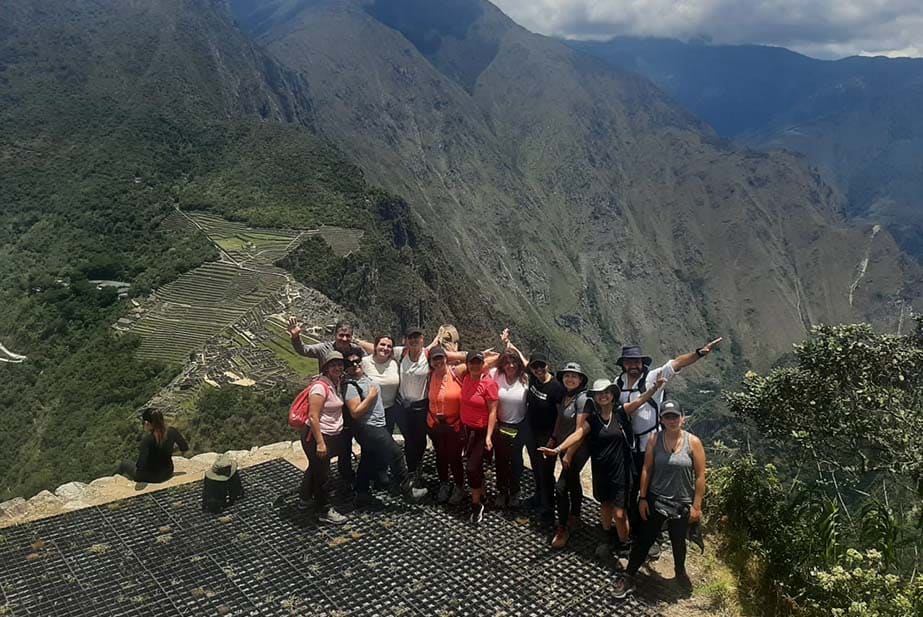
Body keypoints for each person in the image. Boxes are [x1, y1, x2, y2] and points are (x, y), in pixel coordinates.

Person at [540, 377, 665, 559]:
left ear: (612, 396)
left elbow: (640, 400)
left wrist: (655, 387)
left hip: (621, 470)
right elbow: (578, 434)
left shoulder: (621, 414)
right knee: (605, 506)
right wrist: (558, 449)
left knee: (620, 513)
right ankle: (606, 538)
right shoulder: (592, 420)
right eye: (599, 394)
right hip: (601, 471)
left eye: (606, 393)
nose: (603, 396)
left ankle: (625, 543)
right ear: (595, 398)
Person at [614, 339, 720, 544]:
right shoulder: (618, 382)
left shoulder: (653, 376)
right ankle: (634, 530)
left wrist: (698, 353)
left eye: (636, 362)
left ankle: (652, 536)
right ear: (623, 364)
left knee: (653, 491)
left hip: (652, 444)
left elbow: (676, 363)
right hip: (629, 446)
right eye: (629, 362)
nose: (633, 366)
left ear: (641, 363)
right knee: (632, 489)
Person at [614, 400, 706, 598]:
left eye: (675, 416)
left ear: (682, 418)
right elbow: (647, 468)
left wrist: (697, 507)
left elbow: (700, 476)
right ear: (661, 420)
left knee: (678, 541)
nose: (671, 420)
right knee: (644, 539)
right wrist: (643, 497)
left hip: (682, 502)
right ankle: (629, 575)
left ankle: (679, 572)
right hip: (657, 498)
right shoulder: (655, 439)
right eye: (667, 416)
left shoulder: (694, 443)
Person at [341, 350, 427, 506]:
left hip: (375, 425)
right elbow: (354, 412)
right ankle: (408, 490)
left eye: (357, 361)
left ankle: (361, 492)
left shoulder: (364, 376)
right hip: (369, 427)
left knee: (368, 458)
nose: (355, 365)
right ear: (345, 368)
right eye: (349, 364)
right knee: (396, 453)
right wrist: (371, 397)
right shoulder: (350, 386)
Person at [288, 318, 364, 486]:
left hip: (345, 400)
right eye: (341, 335)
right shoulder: (324, 349)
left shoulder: (356, 350)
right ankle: (319, 483)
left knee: (344, 441)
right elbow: (304, 350)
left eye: (348, 336)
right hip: (327, 401)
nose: (344, 339)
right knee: (322, 452)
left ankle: (344, 474)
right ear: (335, 335)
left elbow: (363, 364)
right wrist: (295, 338)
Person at [299, 351, 350, 524]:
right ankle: (324, 509)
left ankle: (304, 499)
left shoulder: (336, 382)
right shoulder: (320, 387)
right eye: (333, 364)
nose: (337, 367)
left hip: (328, 434)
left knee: (315, 469)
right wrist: (320, 443)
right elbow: (313, 416)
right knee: (323, 475)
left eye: (340, 364)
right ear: (326, 367)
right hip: (316, 436)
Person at [549, 362, 591, 548]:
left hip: (578, 449)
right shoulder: (566, 396)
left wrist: (569, 454)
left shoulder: (582, 400)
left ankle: (562, 528)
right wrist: (554, 437)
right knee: (573, 481)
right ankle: (575, 515)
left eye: (574, 376)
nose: (570, 379)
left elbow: (580, 430)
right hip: (564, 446)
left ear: (580, 380)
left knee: (560, 487)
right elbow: (560, 417)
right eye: (567, 375)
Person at [459, 350, 500, 524]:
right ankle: (481, 494)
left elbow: (493, 411)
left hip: (481, 432)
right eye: (472, 363)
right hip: (467, 430)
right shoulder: (467, 379)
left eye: (478, 362)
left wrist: (489, 436)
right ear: (467, 365)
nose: (475, 366)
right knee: (474, 466)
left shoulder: (489, 384)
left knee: (470, 468)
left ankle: (476, 505)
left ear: (483, 364)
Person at [427, 346, 467, 505]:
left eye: (440, 358)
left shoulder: (455, 372)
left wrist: (451, 354)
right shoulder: (430, 376)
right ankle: (444, 483)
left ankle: (459, 486)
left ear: (446, 359)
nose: (438, 362)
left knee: (455, 457)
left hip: (454, 425)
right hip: (436, 425)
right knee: (440, 455)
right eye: (434, 359)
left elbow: (474, 359)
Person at [361, 335, 401, 487]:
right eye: (382, 345)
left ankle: (381, 473)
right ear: (375, 346)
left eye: (389, 346)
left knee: (385, 445)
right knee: (369, 447)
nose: (385, 348)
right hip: (370, 412)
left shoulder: (394, 363)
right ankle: (364, 481)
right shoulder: (365, 363)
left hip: (389, 410)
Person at [490, 350, 528, 509]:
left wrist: (511, 345)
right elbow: (483, 366)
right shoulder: (496, 375)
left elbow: (529, 365)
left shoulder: (526, 379)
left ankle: (514, 491)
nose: (510, 365)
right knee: (500, 460)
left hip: (518, 426)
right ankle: (502, 491)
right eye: (506, 362)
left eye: (514, 362)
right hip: (500, 424)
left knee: (516, 461)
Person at [117, 409, 189, 483]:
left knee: (124, 464)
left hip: (151, 477)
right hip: (168, 472)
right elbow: (184, 447)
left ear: (147, 423)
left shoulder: (147, 440)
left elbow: (140, 465)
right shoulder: (172, 431)